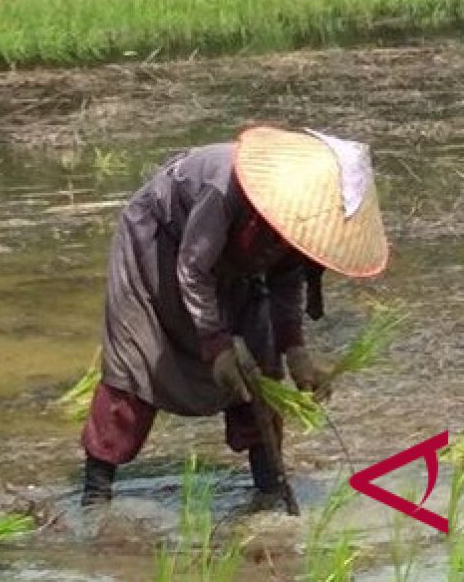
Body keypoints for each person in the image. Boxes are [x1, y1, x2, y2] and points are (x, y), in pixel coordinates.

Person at [79, 126, 389, 505]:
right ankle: (96, 495)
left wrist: (295, 350)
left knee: (262, 364)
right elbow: (193, 269)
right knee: (137, 364)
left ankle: (271, 488)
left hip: (234, 267)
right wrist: (217, 345)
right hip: (159, 250)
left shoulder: (299, 219)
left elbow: (285, 277)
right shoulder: (222, 189)